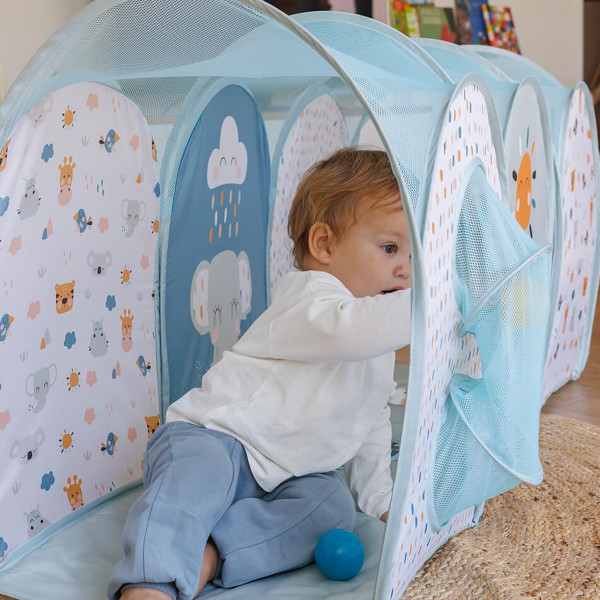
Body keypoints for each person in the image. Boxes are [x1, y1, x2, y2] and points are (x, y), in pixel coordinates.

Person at [109, 147, 412, 600]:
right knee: (192, 484)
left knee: (331, 505)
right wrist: (436, 300)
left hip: (289, 476)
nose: (406, 270)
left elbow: (368, 420)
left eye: (414, 256)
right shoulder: (311, 300)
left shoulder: (373, 341)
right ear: (325, 245)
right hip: (217, 439)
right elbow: (353, 331)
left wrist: (382, 501)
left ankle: (214, 552)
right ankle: (151, 581)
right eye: (390, 249)